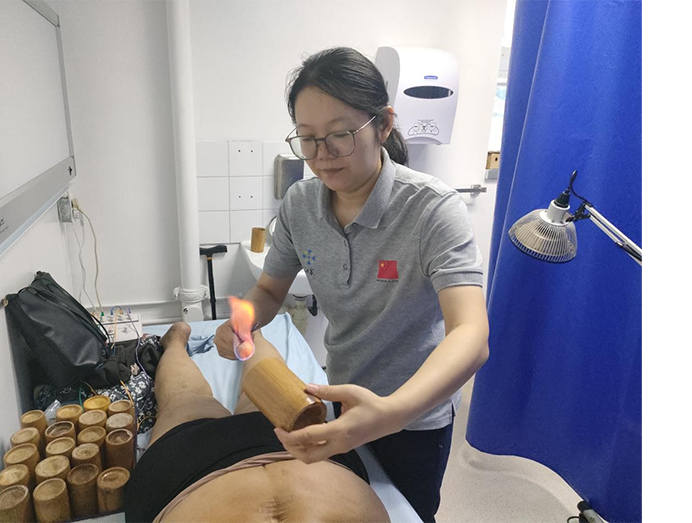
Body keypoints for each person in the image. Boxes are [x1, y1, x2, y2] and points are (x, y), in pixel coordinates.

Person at [214, 47, 490, 523]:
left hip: (414, 414)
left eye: (340, 134)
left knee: (407, 511)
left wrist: (391, 412)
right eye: (307, 138)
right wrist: (243, 321)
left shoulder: (432, 210)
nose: (322, 155)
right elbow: (270, 291)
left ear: (383, 125)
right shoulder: (300, 204)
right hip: (343, 397)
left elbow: (471, 333)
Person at [124, 322, 390, 523]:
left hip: (189, 477)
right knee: (262, 388)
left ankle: (179, 341)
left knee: (184, 400)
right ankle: (250, 334)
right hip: (305, 449)